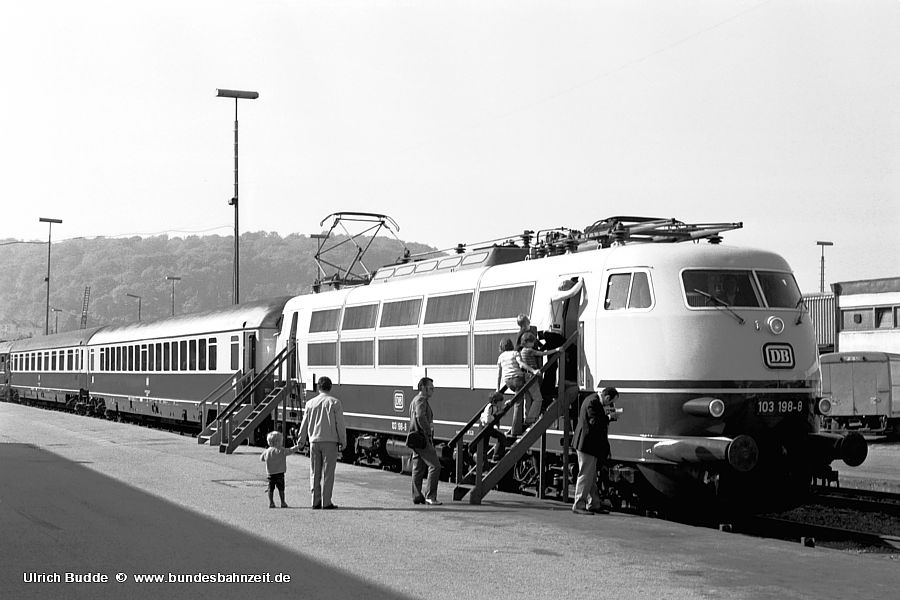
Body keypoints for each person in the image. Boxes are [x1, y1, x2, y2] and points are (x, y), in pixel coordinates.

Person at [298, 376, 347, 510]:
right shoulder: (335, 403)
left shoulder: (310, 403)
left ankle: (315, 501)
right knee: (328, 473)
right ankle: (326, 502)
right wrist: (343, 440)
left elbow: (304, 423)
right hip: (330, 442)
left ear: (318, 387)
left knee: (315, 472)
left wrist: (301, 439)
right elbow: (340, 424)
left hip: (314, 441)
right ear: (330, 387)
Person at [572, 387, 618, 515]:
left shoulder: (591, 399)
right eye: (610, 402)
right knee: (586, 474)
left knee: (590, 476)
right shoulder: (593, 402)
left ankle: (594, 504)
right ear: (607, 397)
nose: (610, 405)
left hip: (588, 444)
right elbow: (594, 422)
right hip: (586, 444)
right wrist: (609, 417)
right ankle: (579, 505)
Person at [409, 377, 442, 505]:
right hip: (422, 438)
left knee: (418, 468)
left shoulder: (414, 400)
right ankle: (430, 496)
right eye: (431, 388)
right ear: (423, 387)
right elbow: (420, 416)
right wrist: (428, 431)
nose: (433, 391)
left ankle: (417, 496)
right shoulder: (421, 400)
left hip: (415, 437)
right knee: (435, 466)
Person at [517, 332, 560, 424]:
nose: (533, 344)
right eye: (532, 342)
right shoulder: (529, 350)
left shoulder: (522, 351)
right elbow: (542, 353)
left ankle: (526, 418)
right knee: (538, 398)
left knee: (528, 398)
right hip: (531, 376)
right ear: (527, 342)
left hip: (525, 376)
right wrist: (556, 350)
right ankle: (531, 418)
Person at [259, 430, 302, 508]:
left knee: (270, 489)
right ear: (278, 442)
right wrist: (297, 447)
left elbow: (261, 458)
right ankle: (283, 502)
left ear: (269, 442)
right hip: (280, 473)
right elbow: (290, 451)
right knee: (281, 489)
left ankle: (271, 503)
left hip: (270, 474)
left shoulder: (267, 451)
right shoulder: (281, 450)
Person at [496, 338, 526, 436]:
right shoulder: (515, 353)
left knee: (517, 400)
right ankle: (516, 430)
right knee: (518, 403)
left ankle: (516, 426)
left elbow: (499, 375)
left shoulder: (501, 357)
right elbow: (520, 363)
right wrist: (531, 370)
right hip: (518, 379)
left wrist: (498, 389)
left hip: (508, 382)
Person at [477, 391, 510, 461]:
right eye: (500, 402)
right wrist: (494, 417)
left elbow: (501, 411)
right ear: (495, 401)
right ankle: (484, 465)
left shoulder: (495, 407)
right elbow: (487, 419)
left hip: (489, 427)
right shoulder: (490, 407)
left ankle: (496, 455)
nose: (501, 403)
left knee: (501, 437)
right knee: (484, 447)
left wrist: (506, 405)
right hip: (484, 428)